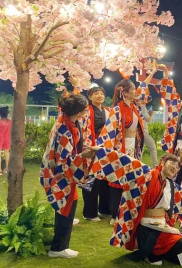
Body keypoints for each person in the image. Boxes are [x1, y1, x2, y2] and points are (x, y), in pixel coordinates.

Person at [91, 148, 182, 266]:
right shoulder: (147, 175)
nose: (174, 167)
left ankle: (152, 253)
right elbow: (125, 161)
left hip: (162, 225)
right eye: (172, 163)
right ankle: (151, 254)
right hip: (146, 227)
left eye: (177, 167)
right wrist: (99, 151)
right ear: (163, 162)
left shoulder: (172, 186)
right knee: (180, 244)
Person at [40, 93, 98, 258]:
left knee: (68, 207)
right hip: (62, 175)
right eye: (84, 109)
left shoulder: (68, 122)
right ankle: (58, 248)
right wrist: (85, 156)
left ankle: (60, 246)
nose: (85, 112)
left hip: (62, 173)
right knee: (65, 208)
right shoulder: (65, 130)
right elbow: (64, 160)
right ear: (77, 111)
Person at [97, 77, 147, 224]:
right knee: (117, 180)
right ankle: (114, 215)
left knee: (130, 179)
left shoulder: (133, 106)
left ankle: (127, 209)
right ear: (124, 93)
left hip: (132, 146)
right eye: (133, 89)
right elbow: (109, 131)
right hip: (120, 146)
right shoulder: (117, 109)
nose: (135, 91)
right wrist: (109, 151)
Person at [77, 84, 112, 222]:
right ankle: (90, 212)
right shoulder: (86, 111)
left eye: (102, 93)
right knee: (91, 180)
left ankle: (104, 208)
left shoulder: (108, 111)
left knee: (105, 179)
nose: (100, 96)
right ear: (90, 96)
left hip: (105, 148)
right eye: (96, 93)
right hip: (91, 147)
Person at [0, 106, 12, 176]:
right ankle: (7, 169)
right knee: (7, 153)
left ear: (0, 114)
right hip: (7, 138)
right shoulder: (10, 122)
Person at [139, 101, 159, 167]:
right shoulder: (142, 106)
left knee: (140, 149)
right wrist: (151, 114)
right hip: (143, 131)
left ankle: (138, 165)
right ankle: (155, 165)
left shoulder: (135, 106)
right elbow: (148, 119)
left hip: (138, 131)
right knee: (152, 147)